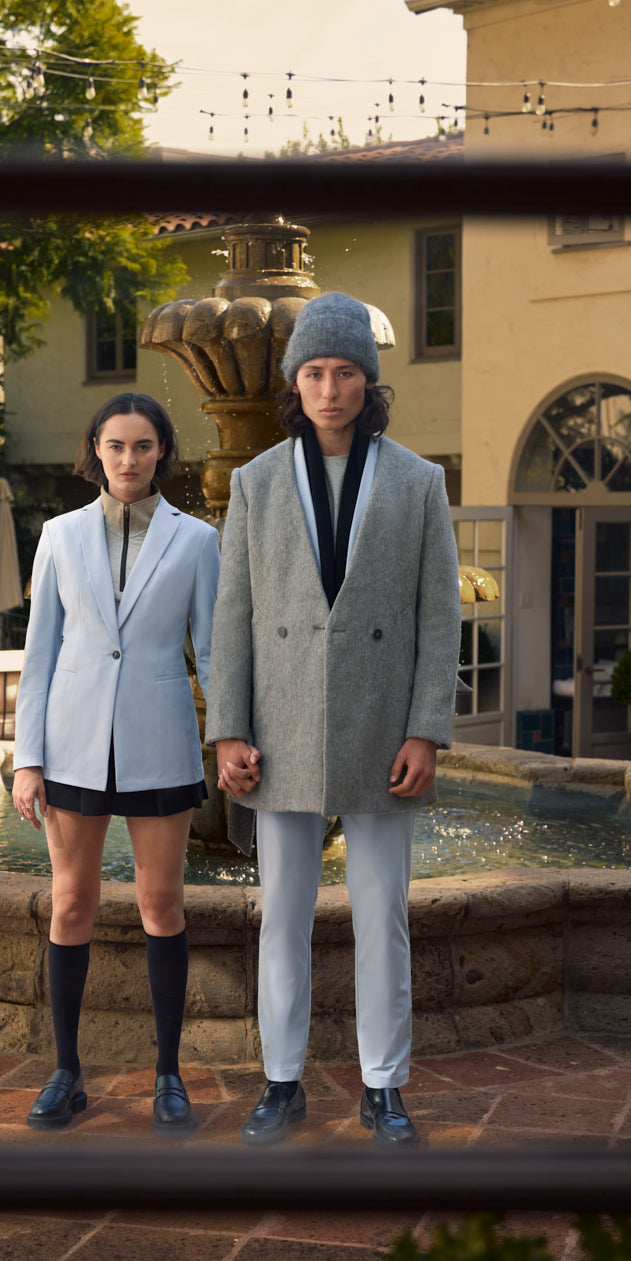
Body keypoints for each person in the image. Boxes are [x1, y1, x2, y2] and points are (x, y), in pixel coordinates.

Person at [205, 292, 461, 1148]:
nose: (328, 388)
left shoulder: (421, 482)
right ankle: (281, 1083)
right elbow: (232, 618)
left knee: (382, 912)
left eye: (344, 372)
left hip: (385, 731)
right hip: (276, 731)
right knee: (282, 915)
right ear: (294, 383)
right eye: (313, 373)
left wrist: (427, 729)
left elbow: (438, 617)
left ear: (368, 382)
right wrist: (228, 730)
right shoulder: (254, 481)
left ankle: (384, 1087)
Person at [13, 392, 220, 1136]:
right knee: (71, 905)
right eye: (114, 445)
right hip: (69, 742)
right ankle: (65, 1072)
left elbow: (215, 651)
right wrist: (25, 759)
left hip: (159, 740)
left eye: (142, 445)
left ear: (162, 450)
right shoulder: (59, 536)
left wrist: (227, 736)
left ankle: (169, 1075)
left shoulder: (196, 541)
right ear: (94, 451)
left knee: (162, 906)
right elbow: (38, 656)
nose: (128, 459)